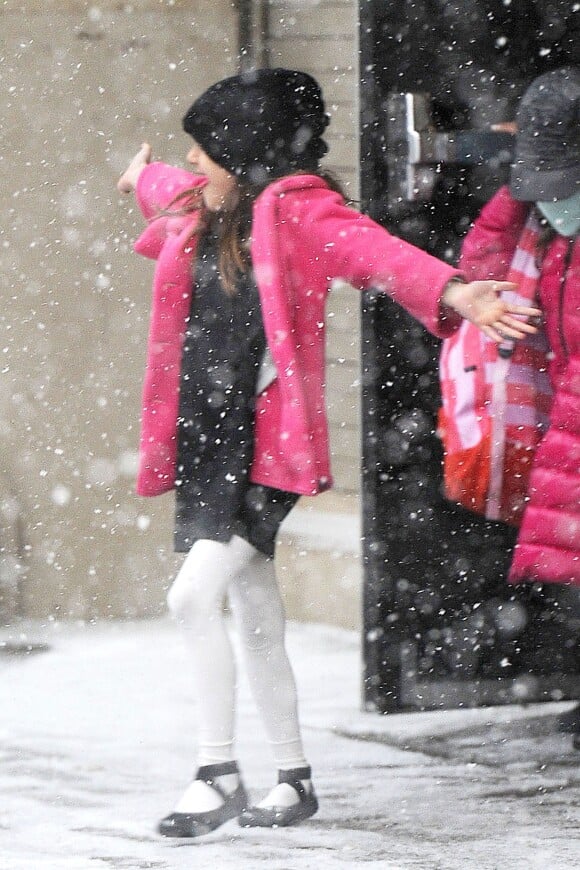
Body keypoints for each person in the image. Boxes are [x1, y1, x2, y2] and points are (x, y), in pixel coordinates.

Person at [116, 68, 539, 838]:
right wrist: (142, 175)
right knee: (254, 616)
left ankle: (216, 773)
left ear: (243, 159)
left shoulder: (297, 214)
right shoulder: (208, 209)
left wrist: (456, 292)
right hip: (212, 449)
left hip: (265, 454)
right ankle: (293, 777)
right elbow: (169, 185)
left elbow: (377, 252)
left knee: (190, 599)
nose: (193, 164)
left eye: (205, 151)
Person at [444, 66, 580, 744]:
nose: (554, 204)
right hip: (569, 423)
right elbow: (483, 257)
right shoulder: (552, 237)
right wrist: (516, 182)